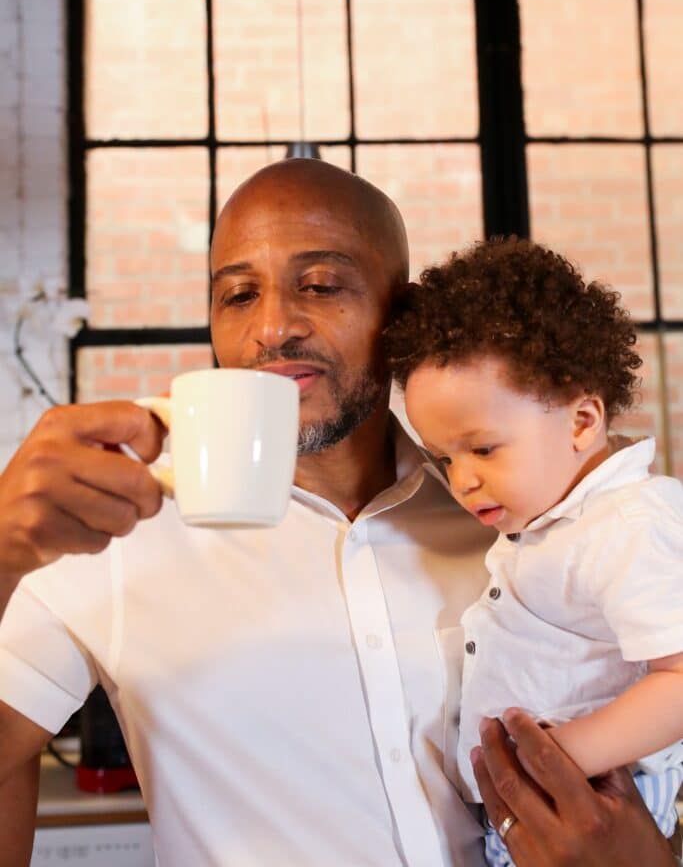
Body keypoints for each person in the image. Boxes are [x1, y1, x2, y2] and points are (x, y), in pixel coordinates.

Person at [0, 161, 677, 867]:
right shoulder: (109, 532)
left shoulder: (530, 526)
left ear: (401, 315)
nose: (271, 328)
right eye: (236, 295)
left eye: (320, 285)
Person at [383, 235, 683, 867]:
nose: (460, 479)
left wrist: (562, 760)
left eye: (483, 449)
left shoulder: (627, 522)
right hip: (534, 804)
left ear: (581, 422)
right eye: (444, 457)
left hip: (591, 803)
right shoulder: (551, 522)